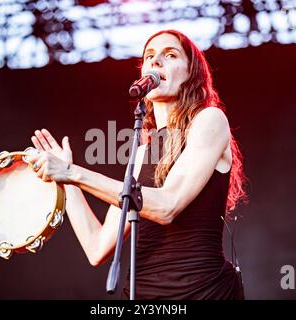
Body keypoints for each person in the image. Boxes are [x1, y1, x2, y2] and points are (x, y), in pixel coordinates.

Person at [29, 29, 247, 300]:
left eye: (170, 55)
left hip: (202, 292)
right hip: (142, 296)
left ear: (191, 72)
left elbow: (168, 206)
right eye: (150, 56)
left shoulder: (209, 120)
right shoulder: (143, 152)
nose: (156, 61)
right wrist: (66, 181)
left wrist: (73, 172)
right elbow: (97, 247)